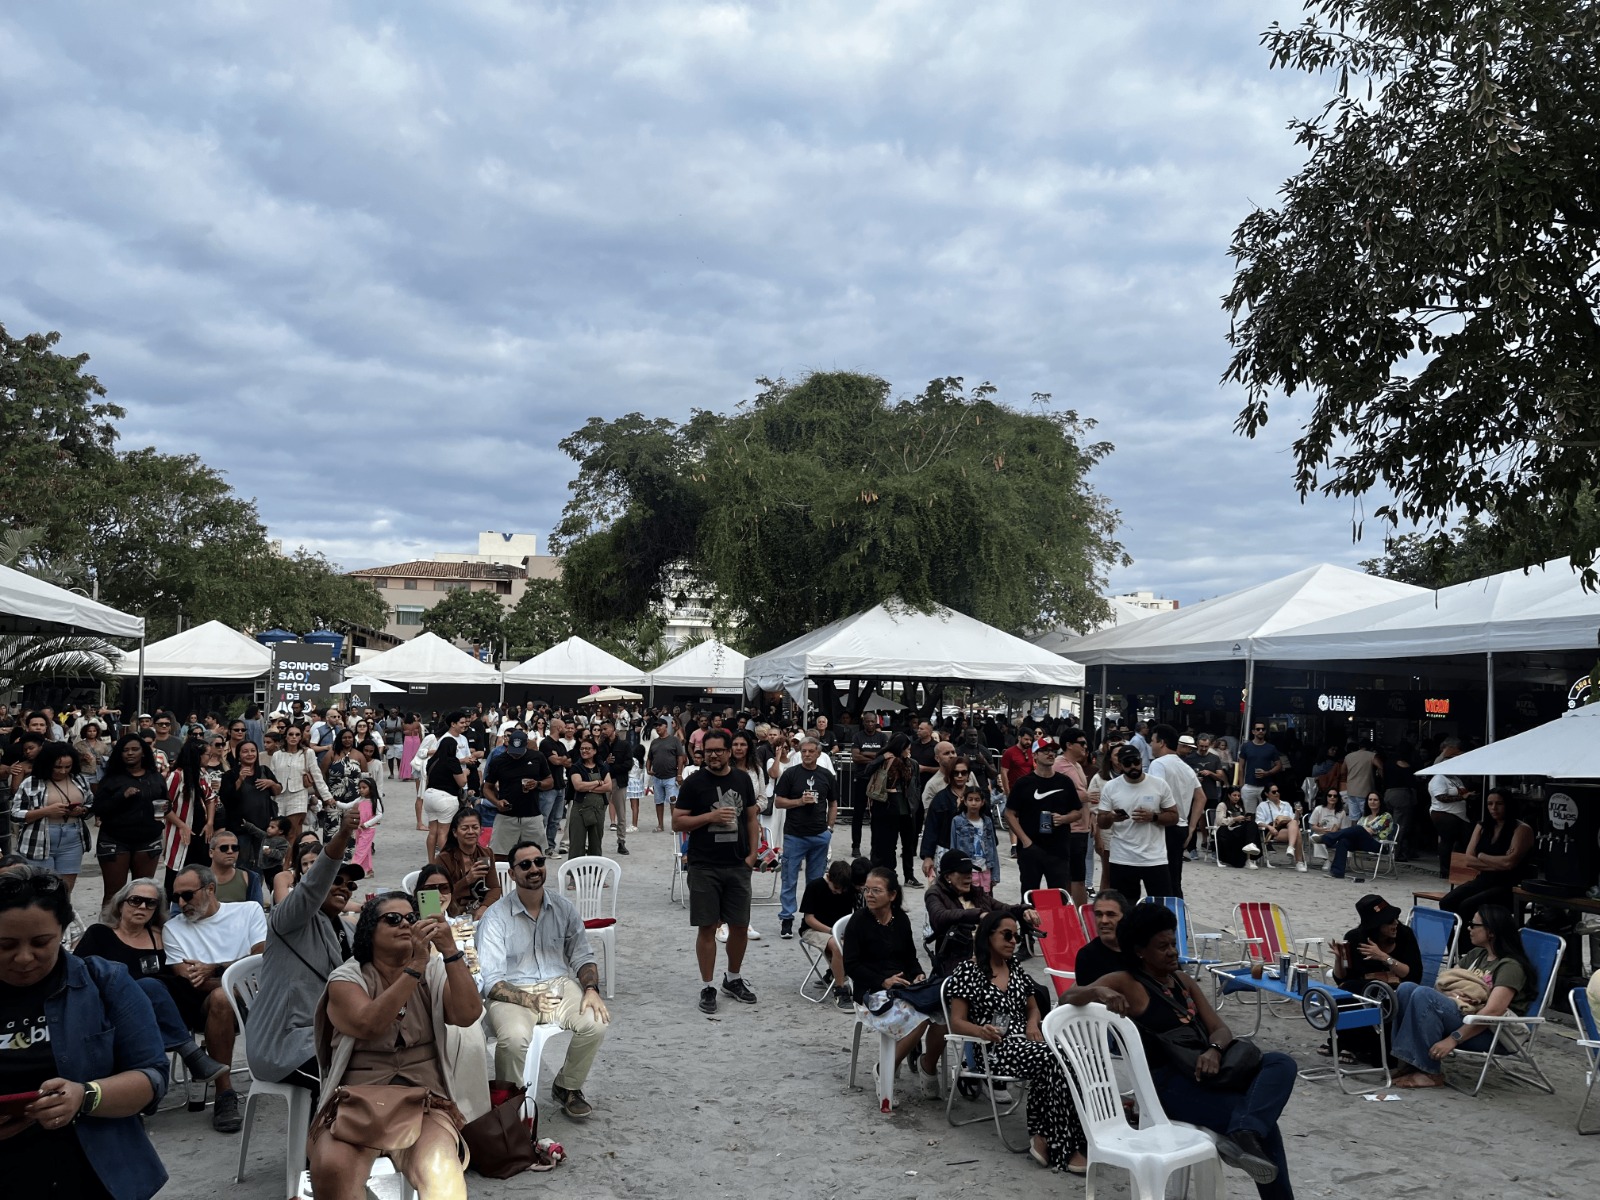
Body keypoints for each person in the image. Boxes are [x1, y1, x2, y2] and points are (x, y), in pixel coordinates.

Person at [1066, 903, 1298, 1198]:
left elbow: (1220, 1028)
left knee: (1281, 1063)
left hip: (1206, 1071)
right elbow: (1068, 996)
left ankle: (1245, 1131)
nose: (1172, 951)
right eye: (1162, 946)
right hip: (1168, 1088)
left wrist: (1214, 1050)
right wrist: (1099, 991)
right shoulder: (1128, 981)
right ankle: (1246, 1133)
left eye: (1173, 943)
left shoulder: (1182, 980)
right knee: (1264, 1127)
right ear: (1140, 951)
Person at [0, 868, 171, 1200]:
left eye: (40, 943)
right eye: (5, 945)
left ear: (63, 933)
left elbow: (152, 1077)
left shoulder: (106, 983)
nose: (23, 958)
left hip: (96, 1175)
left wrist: (85, 1096)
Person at [307, 892, 487, 1200]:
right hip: (357, 1100)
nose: (405, 924)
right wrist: (415, 965)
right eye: (393, 919)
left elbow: (468, 1014)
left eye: (411, 918)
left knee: (441, 1167)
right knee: (331, 1167)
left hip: (424, 1102)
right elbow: (369, 1024)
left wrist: (450, 952)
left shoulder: (433, 971)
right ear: (368, 932)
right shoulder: (346, 978)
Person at [477, 840, 609, 1120]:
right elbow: (491, 980)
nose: (534, 869)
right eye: (525, 865)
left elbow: (582, 955)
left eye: (539, 862)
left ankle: (567, 1086)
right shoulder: (496, 917)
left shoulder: (563, 907)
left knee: (595, 1022)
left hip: (557, 985)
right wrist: (530, 1000)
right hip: (512, 991)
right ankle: (509, 1101)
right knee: (514, 1038)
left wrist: (591, 989)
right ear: (512, 874)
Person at [947, 910, 1087, 1172]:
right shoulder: (968, 970)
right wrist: (980, 1031)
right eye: (1007, 935)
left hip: (1022, 1043)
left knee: (1071, 1054)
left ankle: (1045, 1137)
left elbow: (1033, 1008)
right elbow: (956, 1021)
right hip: (990, 1049)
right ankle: (1062, 1146)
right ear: (989, 936)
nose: (1013, 941)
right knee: (1053, 1058)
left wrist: (1032, 1023)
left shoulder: (1015, 968)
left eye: (1017, 936)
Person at [246, 807, 363, 1106]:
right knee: (350, 1088)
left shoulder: (346, 931)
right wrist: (343, 836)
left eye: (350, 885)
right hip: (283, 1045)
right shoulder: (289, 920)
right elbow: (313, 884)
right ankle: (317, 1153)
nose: (344, 889)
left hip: (329, 1039)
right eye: (337, 881)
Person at [74, 876, 229, 1087]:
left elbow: (184, 975)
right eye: (135, 900)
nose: (142, 907)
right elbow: (80, 975)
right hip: (116, 1013)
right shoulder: (99, 934)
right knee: (146, 985)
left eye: (150, 903)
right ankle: (190, 1053)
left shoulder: (163, 936)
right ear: (121, 904)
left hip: (168, 1012)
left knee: (150, 986)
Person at [161, 864, 269, 1132]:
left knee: (225, 992)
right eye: (176, 897)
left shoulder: (248, 911)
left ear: (210, 889)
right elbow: (191, 982)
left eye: (187, 895)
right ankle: (224, 1092)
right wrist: (235, 977)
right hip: (208, 1004)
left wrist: (215, 967)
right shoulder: (173, 929)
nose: (181, 903)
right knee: (222, 997)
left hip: (255, 1000)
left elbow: (263, 958)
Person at [1390, 904, 1536, 1089]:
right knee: (1406, 989)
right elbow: (1443, 984)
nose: (1469, 928)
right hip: (1463, 1015)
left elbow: (1493, 1012)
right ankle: (1408, 1063)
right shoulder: (1477, 955)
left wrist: (1453, 1039)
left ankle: (1429, 1072)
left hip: (1492, 1033)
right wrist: (1450, 993)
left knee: (1423, 994)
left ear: (1490, 932)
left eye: (1474, 925)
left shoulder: (1510, 967)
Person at [672, 727, 761, 1013]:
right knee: (707, 926)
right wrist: (710, 816)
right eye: (707, 751)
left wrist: (752, 855)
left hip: (737, 864)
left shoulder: (742, 779)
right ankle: (708, 985)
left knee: (738, 926)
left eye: (718, 750)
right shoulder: (694, 783)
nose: (712, 755)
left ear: (729, 752)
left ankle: (733, 979)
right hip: (704, 865)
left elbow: (750, 818)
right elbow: (677, 822)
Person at [842, 868, 945, 1085]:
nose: (868, 895)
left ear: (892, 895)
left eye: (876, 890)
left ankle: (928, 1067)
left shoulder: (900, 920)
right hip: (871, 990)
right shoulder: (858, 922)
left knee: (943, 1012)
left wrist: (918, 974)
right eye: (867, 890)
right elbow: (851, 966)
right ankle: (885, 1068)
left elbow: (910, 958)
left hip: (903, 986)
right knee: (921, 1017)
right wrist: (883, 981)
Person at [1326, 893, 1422, 1066]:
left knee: (1376, 995)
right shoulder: (1356, 938)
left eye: (1396, 919)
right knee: (1348, 990)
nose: (1395, 924)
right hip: (1366, 991)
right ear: (1375, 925)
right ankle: (1352, 1044)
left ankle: (1351, 1045)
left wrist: (1383, 957)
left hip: (1397, 992)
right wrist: (1339, 959)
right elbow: (1341, 978)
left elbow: (1413, 975)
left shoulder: (1405, 935)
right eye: (1389, 921)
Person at [1438, 789, 1535, 942]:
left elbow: (1510, 863)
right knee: (1447, 902)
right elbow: (1469, 860)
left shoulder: (1521, 829)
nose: (1493, 808)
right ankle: (1456, 949)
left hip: (1508, 885)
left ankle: (1471, 948)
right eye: (1490, 804)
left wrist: (1482, 856)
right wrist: (1499, 862)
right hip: (1483, 880)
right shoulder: (1482, 826)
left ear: (1508, 805)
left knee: (1468, 906)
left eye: (1499, 804)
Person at [924, 850, 1033, 979]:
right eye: (963, 873)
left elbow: (1003, 908)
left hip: (988, 960)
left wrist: (1024, 910)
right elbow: (939, 916)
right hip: (959, 965)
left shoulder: (977, 893)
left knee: (1033, 989)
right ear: (948, 877)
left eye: (970, 872)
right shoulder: (935, 894)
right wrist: (978, 915)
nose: (969, 876)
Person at [773, 736, 837, 940]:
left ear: (819, 753)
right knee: (789, 878)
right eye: (804, 751)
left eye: (811, 751)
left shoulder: (826, 775)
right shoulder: (791, 774)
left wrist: (830, 828)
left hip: (819, 835)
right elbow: (778, 802)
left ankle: (811, 918)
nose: (807, 754)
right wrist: (799, 801)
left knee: (816, 881)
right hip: (795, 835)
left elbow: (833, 803)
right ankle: (787, 919)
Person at [1006, 739, 1086, 902]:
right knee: (1029, 896)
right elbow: (1009, 813)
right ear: (1035, 755)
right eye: (1045, 750)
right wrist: (1025, 841)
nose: (1051, 754)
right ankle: (1028, 927)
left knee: (1059, 897)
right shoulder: (1024, 783)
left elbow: (1077, 812)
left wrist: (1064, 819)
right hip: (1031, 849)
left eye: (1053, 751)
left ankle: (1056, 927)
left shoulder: (1064, 782)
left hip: (1058, 849)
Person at [1095, 745, 1178, 900]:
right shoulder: (1111, 787)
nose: (1133, 766)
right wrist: (1111, 817)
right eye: (1127, 763)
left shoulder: (1159, 784)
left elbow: (1174, 817)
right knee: (1124, 911)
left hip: (1154, 858)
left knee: (1162, 908)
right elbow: (1102, 822)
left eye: (1136, 761)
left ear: (1141, 761)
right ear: (1119, 765)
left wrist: (1154, 817)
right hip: (1122, 858)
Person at [10, 742, 92, 890]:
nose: (63, 771)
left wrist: (82, 810)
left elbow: (91, 803)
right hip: (39, 840)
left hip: (72, 838)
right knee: (43, 891)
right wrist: (46, 811)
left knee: (65, 890)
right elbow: (15, 814)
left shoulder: (79, 779)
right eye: (58, 767)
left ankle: (63, 913)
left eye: (68, 767)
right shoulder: (32, 782)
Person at [93, 734, 167, 896]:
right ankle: (109, 923)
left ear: (144, 753)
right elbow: (98, 809)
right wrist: (122, 796)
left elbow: (165, 802)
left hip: (149, 840)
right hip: (115, 841)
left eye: (135, 749)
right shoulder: (111, 779)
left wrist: (165, 808)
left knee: (144, 893)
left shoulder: (155, 777)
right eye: (125, 750)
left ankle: (141, 922)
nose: (130, 753)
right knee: (114, 894)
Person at [1146, 725, 1205, 897]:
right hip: (1181, 827)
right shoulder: (1185, 767)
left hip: (1163, 826)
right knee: (1174, 879)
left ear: (1162, 743)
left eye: (1152, 741)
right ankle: (1177, 918)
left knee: (1158, 881)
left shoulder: (1158, 765)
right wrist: (1191, 827)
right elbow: (1201, 797)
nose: (1151, 745)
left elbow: (1156, 795)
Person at [799, 859, 860, 1010]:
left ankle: (836, 974)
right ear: (829, 878)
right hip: (813, 930)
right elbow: (809, 919)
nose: (839, 892)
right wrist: (832, 931)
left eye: (842, 889)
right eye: (836, 888)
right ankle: (840, 990)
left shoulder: (847, 889)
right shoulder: (815, 886)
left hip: (838, 930)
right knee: (837, 946)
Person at [483, 729, 553, 857]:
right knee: (499, 856)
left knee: (535, 857)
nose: (515, 756)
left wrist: (537, 784)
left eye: (519, 752)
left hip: (532, 815)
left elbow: (550, 781)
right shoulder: (498, 761)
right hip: (506, 816)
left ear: (526, 745)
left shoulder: (537, 757)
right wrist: (497, 802)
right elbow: (487, 788)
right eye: (513, 751)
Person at [270, 723, 335, 848]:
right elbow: (272, 776)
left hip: (299, 794)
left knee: (292, 832)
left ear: (301, 737)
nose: (294, 737)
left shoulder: (308, 753)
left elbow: (317, 775)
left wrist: (326, 796)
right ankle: (289, 859)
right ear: (285, 737)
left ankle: (291, 863)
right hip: (279, 796)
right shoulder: (277, 755)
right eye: (291, 734)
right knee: (279, 831)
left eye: (297, 734)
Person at [435, 808, 501, 919]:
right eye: (465, 828)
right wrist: (467, 880)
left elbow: (495, 888)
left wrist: (484, 908)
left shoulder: (486, 853)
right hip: (454, 913)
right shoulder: (444, 858)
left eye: (475, 827)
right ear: (455, 833)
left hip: (481, 910)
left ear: (481, 830)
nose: (471, 832)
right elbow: (440, 897)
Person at [1317, 793, 1395, 880]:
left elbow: (1370, 831)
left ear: (1380, 802)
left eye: (1375, 800)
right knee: (1343, 841)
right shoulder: (1365, 817)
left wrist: (1361, 829)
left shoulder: (1386, 816)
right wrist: (1360, 830)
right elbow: (1358, 832)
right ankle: (1337, 872)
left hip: (1379, 845)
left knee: (1358, 829)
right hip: (1363, 843)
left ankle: (1327, 837)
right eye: (1370, 799)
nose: (1372, 802)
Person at [1426, 738, 1473, 879]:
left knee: (1464, 841)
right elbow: (1441, 797)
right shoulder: (1438, 779)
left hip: (1459, 814)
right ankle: (1445, 870)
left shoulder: (1456, 778)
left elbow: (1462, 792)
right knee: (1448, 841)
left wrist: (1469, 796)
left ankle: (1459, 867)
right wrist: (1462, 798)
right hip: (1444, 814)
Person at [420, 733, 468, 863]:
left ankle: (431, 862)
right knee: (443, 832)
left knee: (432, 832)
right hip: (445, 798)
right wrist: (465, 773)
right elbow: (462, 783)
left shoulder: (432, 760)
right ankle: (446, 863)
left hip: (429, 796)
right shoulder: (452, 761)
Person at [948, 785, 1002, 893]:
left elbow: (993, 848)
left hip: (985, 869)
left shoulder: (987, 821)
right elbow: (953, 848)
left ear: (982, 802)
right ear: (965, 801)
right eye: (970, 799)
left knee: (985, 901)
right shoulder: (957, 821)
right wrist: (953, 873)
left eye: (977, 800)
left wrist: (995, 875)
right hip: (966, 871)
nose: (973, 803)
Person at [1073, 888, 1131, 986]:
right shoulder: (1087, 956)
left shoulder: (1140, 949)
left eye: (1111, 914)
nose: (1104, 920)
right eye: (1099, 915)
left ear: (1125, 917)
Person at [567, 737, 612, 859]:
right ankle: (574, 875)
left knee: (596, 845)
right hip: (580, 810)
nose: (584, 751)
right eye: (582, 749)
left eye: (587, 748)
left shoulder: (602, 767)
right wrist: (597, 782)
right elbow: (578, 786)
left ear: (595, 751)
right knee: (577, 844)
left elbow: (608, 786)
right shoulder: (576, 767)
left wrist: (589, 788)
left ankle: (595, 874)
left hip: (598, 810)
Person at [1254, 784, 1307, 870]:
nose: (1277, 793)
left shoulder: (1286, 804)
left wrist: (1297, 813)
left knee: (1294, 823)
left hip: (1288, 828)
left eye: (1278, 791)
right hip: (1274, 830)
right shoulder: (1263, 805)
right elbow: (1258, 822)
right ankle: (1299, 862)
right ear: (1267, 794)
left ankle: (1290, 847)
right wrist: (1269, 827)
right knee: (1297, 833)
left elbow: (1295, 821)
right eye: (1274, 792)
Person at [1236, 721, 1282, 810]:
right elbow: (1241, 766)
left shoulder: (1271, 748)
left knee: (1268, 813)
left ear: (1265, 731)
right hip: (1249, 786)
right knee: (1249, 815)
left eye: (1263, 729)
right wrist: (1241, 786)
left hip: (1266, 787)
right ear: (1253, 731)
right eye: (1258, 729)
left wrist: (1267, 773)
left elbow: (1279, 765)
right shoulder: (1246, 746)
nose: (1260, 731)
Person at [1213, 787, 1263, 869]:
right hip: (1225, 830)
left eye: (1239, 796)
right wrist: (1234, 819)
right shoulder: (1222, 805)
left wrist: (1244, 819)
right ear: (1229, 795)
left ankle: (1249, 852)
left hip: (1237, 829)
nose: (1237, 797)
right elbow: (1219, 821)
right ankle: (1250, 849)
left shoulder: (1239, 806)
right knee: (1250, 827)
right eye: (1234, 795)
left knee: (1252, 824)